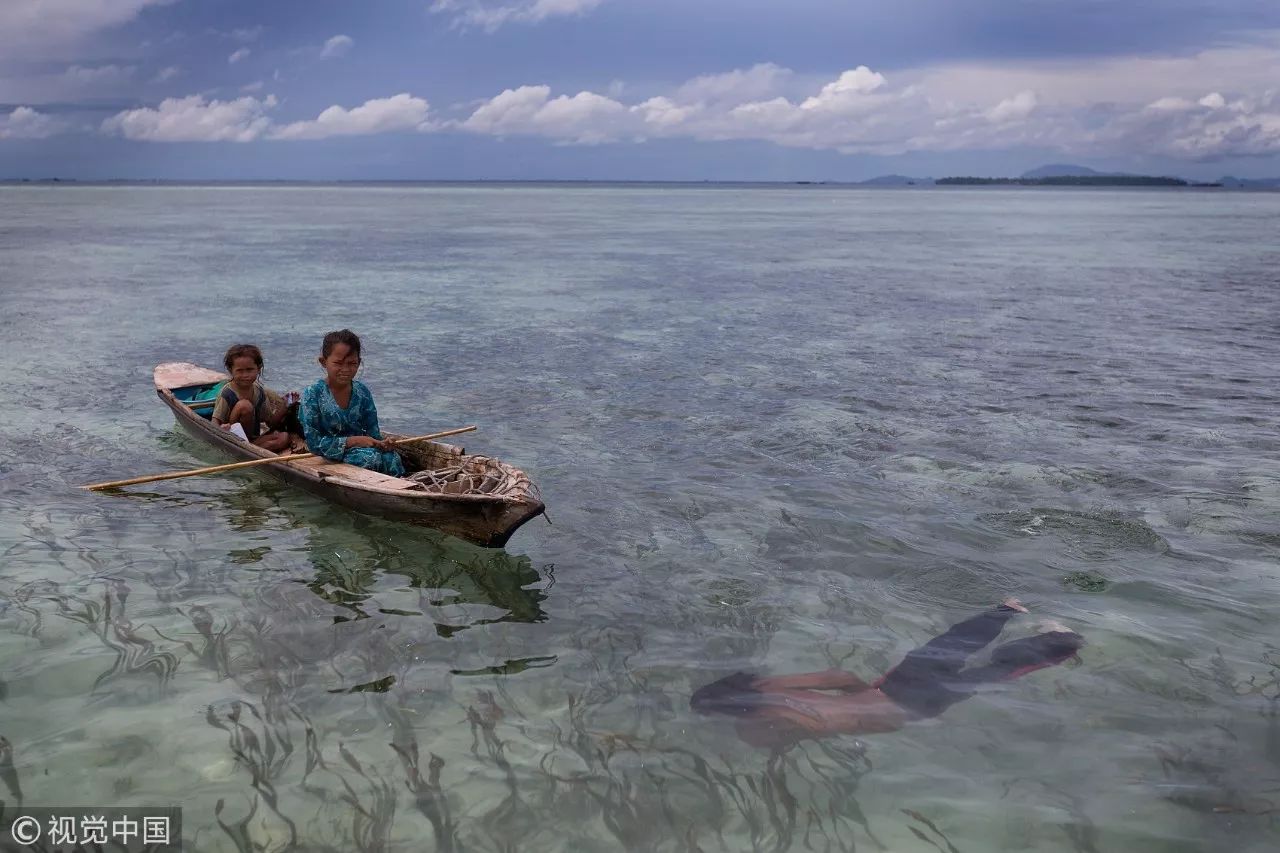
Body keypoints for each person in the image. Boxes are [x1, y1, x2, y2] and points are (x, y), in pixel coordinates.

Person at [692, 599, 1084, 750]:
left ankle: (1064, 642)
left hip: (914, 711)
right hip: (898, 689)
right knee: (949, 646)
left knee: (996, 673)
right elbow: (838, 675)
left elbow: (814, 732)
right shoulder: (768, 687)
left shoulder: (760, 731)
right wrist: (872, 691)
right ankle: (1008, 610)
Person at [299, 329, 405, 476]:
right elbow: (314, 444)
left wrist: (384, 443)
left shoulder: (362, 392)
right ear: (323, 362)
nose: (346, 369)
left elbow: (373, 434)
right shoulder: (312, 394)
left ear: (359, 362)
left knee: (392, 458)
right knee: (370, 459)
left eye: (352, 363)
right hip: (328, 455)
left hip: (361, 450)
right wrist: (352, 441)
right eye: (338, 363)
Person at [211, 344, 303, 453]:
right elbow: (214, 423)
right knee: (245, 406)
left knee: (284, 437)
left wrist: (286, 405)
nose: (245, 375)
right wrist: (222, 429)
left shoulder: (259, 391)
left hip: (251, 440)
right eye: (240, 371)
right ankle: (248, 449)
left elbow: (271, 422)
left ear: (258, 369)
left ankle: (250, 449)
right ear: (231, 371)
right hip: (232, 439)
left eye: (249, 370)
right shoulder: (227, 393)